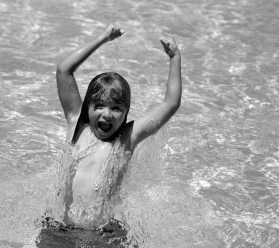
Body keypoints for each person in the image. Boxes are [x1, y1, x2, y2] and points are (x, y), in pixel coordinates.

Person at [37, 23, 182, 247]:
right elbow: (63, 70)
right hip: (58, 228)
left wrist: (174, 58)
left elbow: (171, 103)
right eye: (99, 106)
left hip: (101, 234)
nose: (107, 114)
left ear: (125, 113)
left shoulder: (126, 139)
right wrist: (102, 38)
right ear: (88, 108)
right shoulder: (77, 125)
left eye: (116, 108)